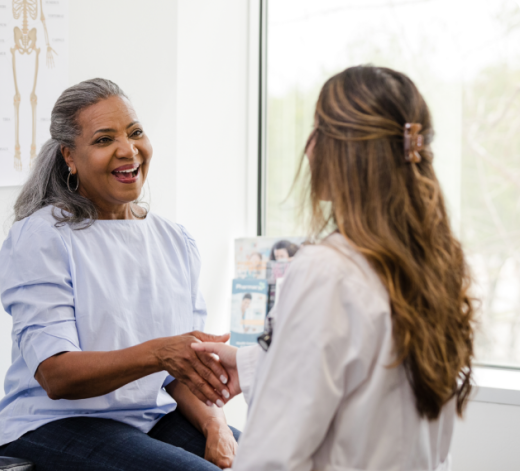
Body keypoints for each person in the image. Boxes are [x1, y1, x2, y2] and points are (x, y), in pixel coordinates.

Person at [194, 65, 475, 471]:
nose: (308, 147)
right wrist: (250, 364)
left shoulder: (326, 271)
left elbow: (272, 456)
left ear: (345, 150)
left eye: (317, 130)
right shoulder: (435, 264)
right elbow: (371, 378)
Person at [0, 78, 239, 471]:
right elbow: (57, 376)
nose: (128, 150)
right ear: (69, 157)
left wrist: (215, 425)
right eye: (105, 140)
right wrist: (159, 352)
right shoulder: (42, 238)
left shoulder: (175, 240)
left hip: (150, 416)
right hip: (56, 424)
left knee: (276, 460)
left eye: (135, 132)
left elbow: (181, 372)